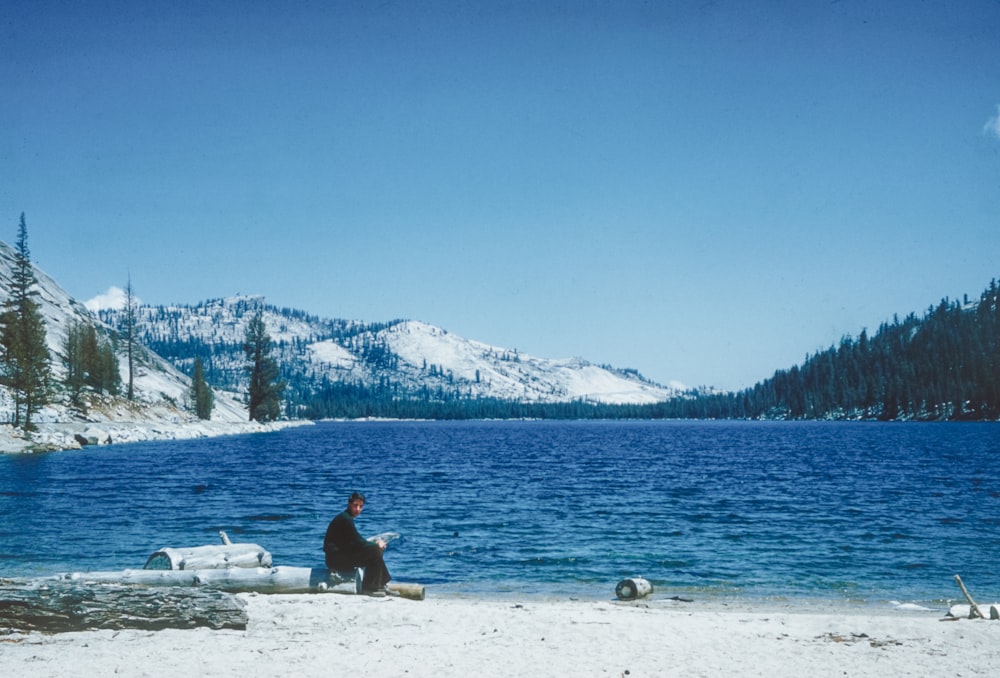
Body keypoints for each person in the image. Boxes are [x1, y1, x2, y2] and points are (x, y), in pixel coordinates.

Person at [323, 492, 392, 595]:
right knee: (375, 551)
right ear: (349, 504)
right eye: (355, 505)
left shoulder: (346, 518)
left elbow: (356, 541)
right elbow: (358, 542)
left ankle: (380, 583)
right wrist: (377, 545)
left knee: (374, 551)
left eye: (361, 506)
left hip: (339, 557)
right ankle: (370, 587)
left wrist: (374, 544)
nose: (358, 509)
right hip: (336, 561)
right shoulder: (345, 519)